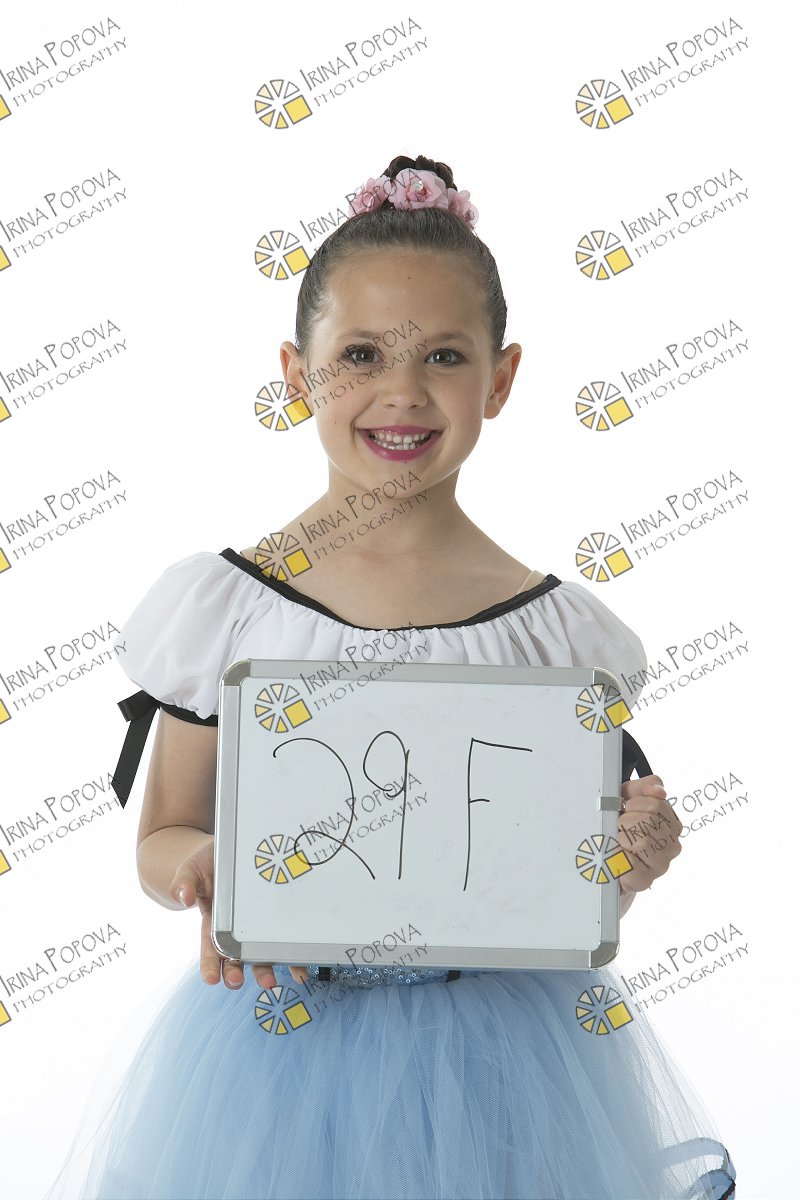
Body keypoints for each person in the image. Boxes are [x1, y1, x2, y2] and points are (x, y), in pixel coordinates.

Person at [43, 154, 737, 1200]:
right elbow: (163, 836)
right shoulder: (227, 609)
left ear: (500, 378)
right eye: (360, 354)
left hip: (506, 1062)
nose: (402, 393)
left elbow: (554, 886)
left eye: (444, 356)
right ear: (297, 375)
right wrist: (207, 867)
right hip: (278, 1052)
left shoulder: (555, 638)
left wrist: (626, 863)